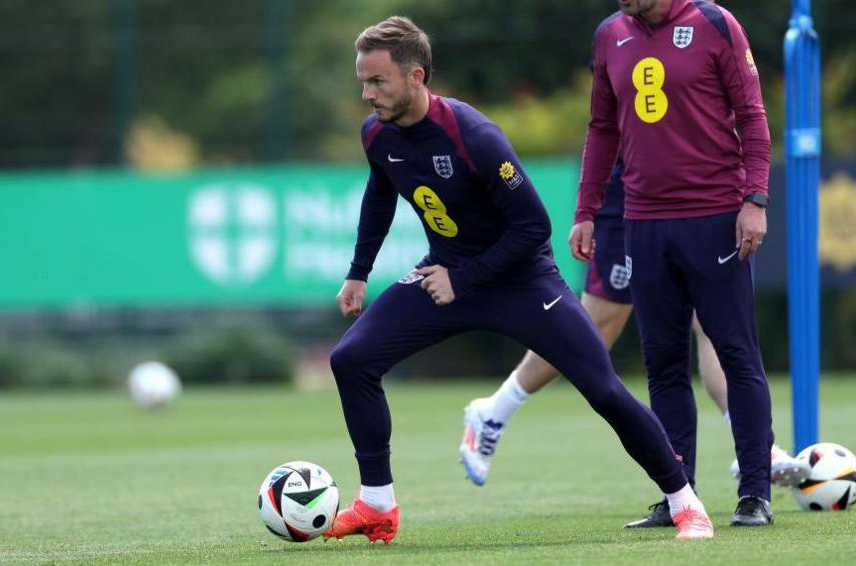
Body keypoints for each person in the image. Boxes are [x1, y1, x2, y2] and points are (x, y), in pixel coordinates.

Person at [325, 16, 714, 543]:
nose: (367, 94)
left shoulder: (475, 136)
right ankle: (377, 504)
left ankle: (687, 504)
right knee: (351, 360)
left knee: (602, 389)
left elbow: (534, 227)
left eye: (377, 82)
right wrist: (358, 273)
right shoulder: (377, 135)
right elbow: (380, 194)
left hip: (520, 281)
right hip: (446, 276)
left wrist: (464, 279)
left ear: (416, 76)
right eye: (363, 83)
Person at [459, 164, 811, 529]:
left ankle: (754, 448)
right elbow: (605, 124)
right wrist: (586, 208)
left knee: (715, 321)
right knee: (596, 328)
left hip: (699, 186)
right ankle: (494, 410)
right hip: (632, 190)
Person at [567, 0, 778, 527]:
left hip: (713, 217)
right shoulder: (609, 33)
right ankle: (679, 496)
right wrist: (586, 210)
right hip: (643, 221)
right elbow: (601, 128)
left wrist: (755, 199)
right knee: (661, 362)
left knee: (736, 353)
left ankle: (755, 494)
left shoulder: (713, 23)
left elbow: (752, 113)